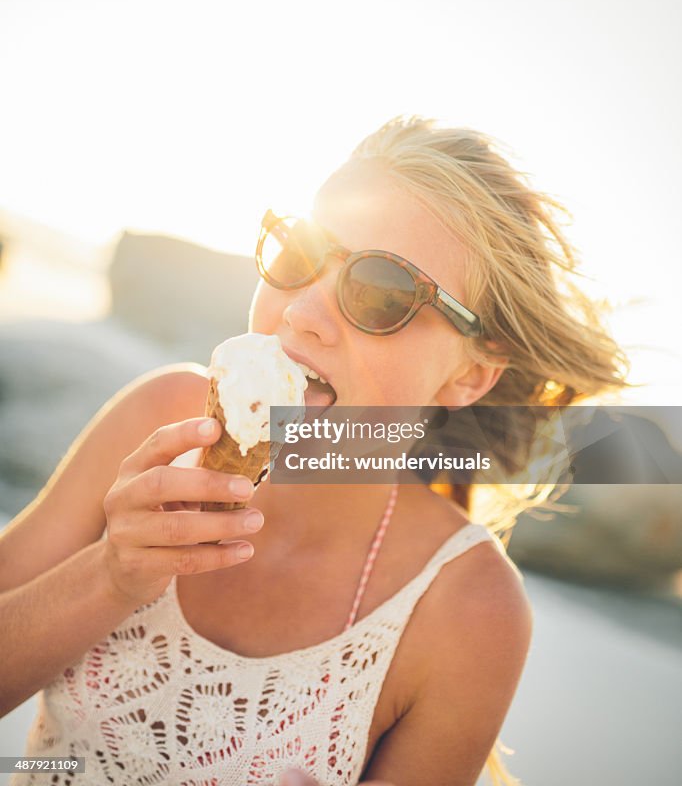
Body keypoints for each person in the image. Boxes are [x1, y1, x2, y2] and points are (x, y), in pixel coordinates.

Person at [0, 116, 629, 786]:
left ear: (469, 375)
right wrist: (108, 576)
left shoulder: (470, 610)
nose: (301, 312)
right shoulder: (159, 421)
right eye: (299, 252)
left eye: (382, 292)